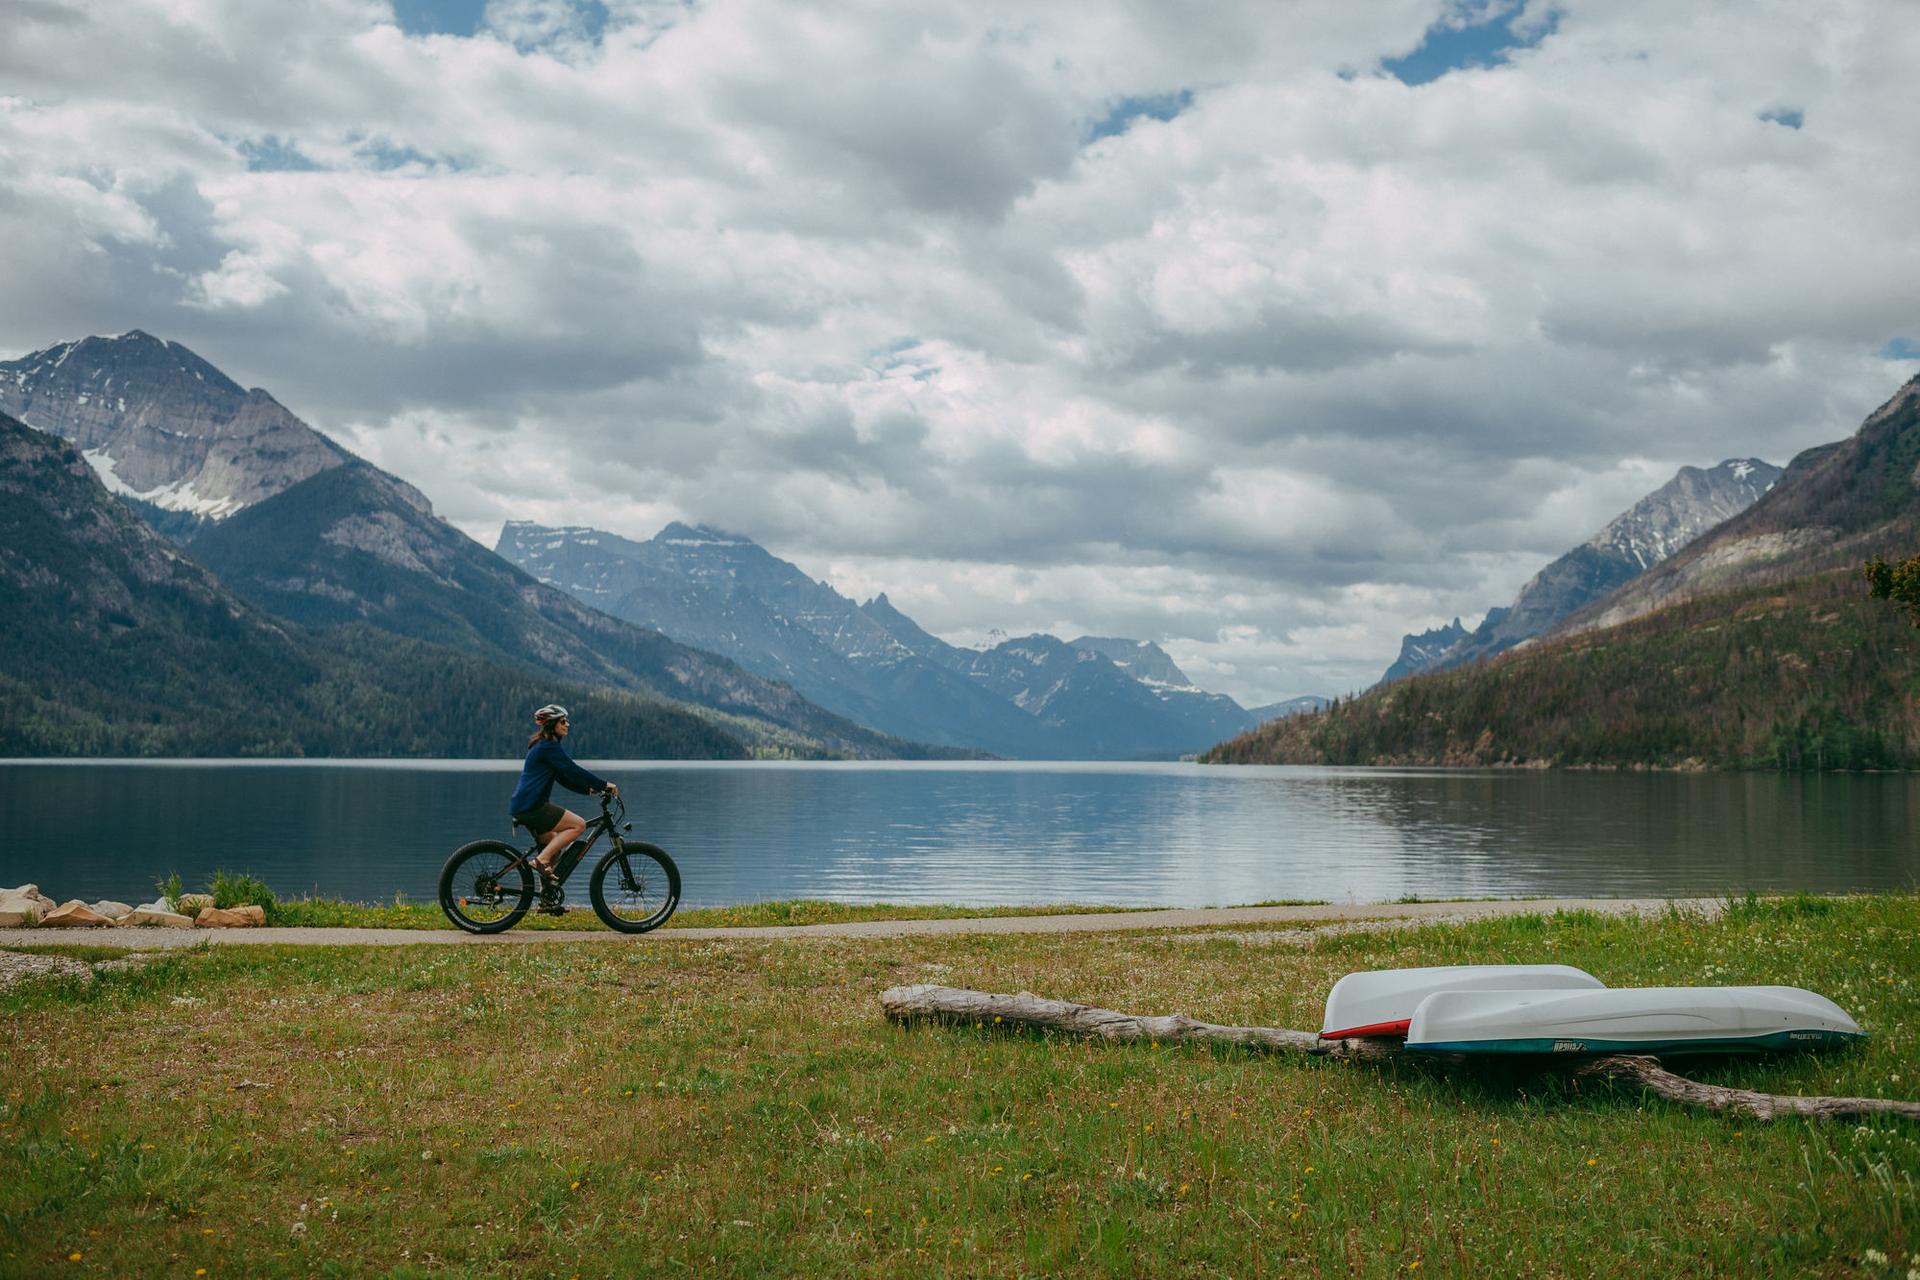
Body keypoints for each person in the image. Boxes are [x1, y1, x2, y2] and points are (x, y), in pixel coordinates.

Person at [509, 704, 618, 883]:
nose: (567, 724)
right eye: (563, 721)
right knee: (578, 825)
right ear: (552, 724)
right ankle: (540, 860)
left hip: (524, 805)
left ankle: (546, 898)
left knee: (553, 847)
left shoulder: (542, 746)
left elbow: (563, 777)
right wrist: (604, 784)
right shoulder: (547, 747)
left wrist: (588, 790)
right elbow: (571, 769)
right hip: (533, 806)